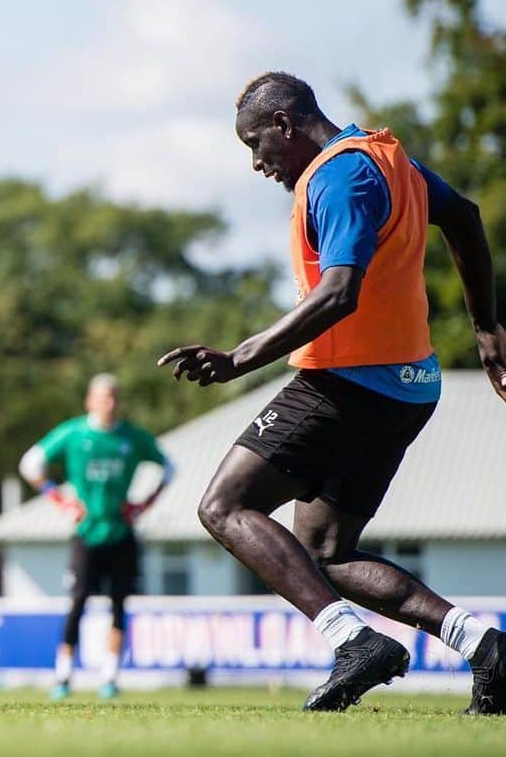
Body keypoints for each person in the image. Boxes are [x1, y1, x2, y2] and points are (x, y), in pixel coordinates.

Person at [159, 71, 506, 714]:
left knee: (225, 506)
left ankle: (351, 643)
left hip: (346, 384)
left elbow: (340, 291)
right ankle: (488, 648)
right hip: (408, 388)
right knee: (324, 551)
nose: (257, 162)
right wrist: (485, 326)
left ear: (286, 125)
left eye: (255, 143)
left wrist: (240, 357)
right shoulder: (388, 159)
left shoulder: (340, 176)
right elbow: (465, 215)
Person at [19, 373, 173, 700]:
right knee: (77, 603)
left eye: (115, 397)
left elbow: (169, 468)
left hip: (121, 533)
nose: (111, 403)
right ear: (90, 400)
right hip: (86, 534)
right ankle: (63, 677)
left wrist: (144, 503)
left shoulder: (132, 438)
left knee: (119, 604)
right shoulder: (74, 434)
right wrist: (60, 499)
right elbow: (30, 464)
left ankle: (110, 677)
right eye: (104, 397)